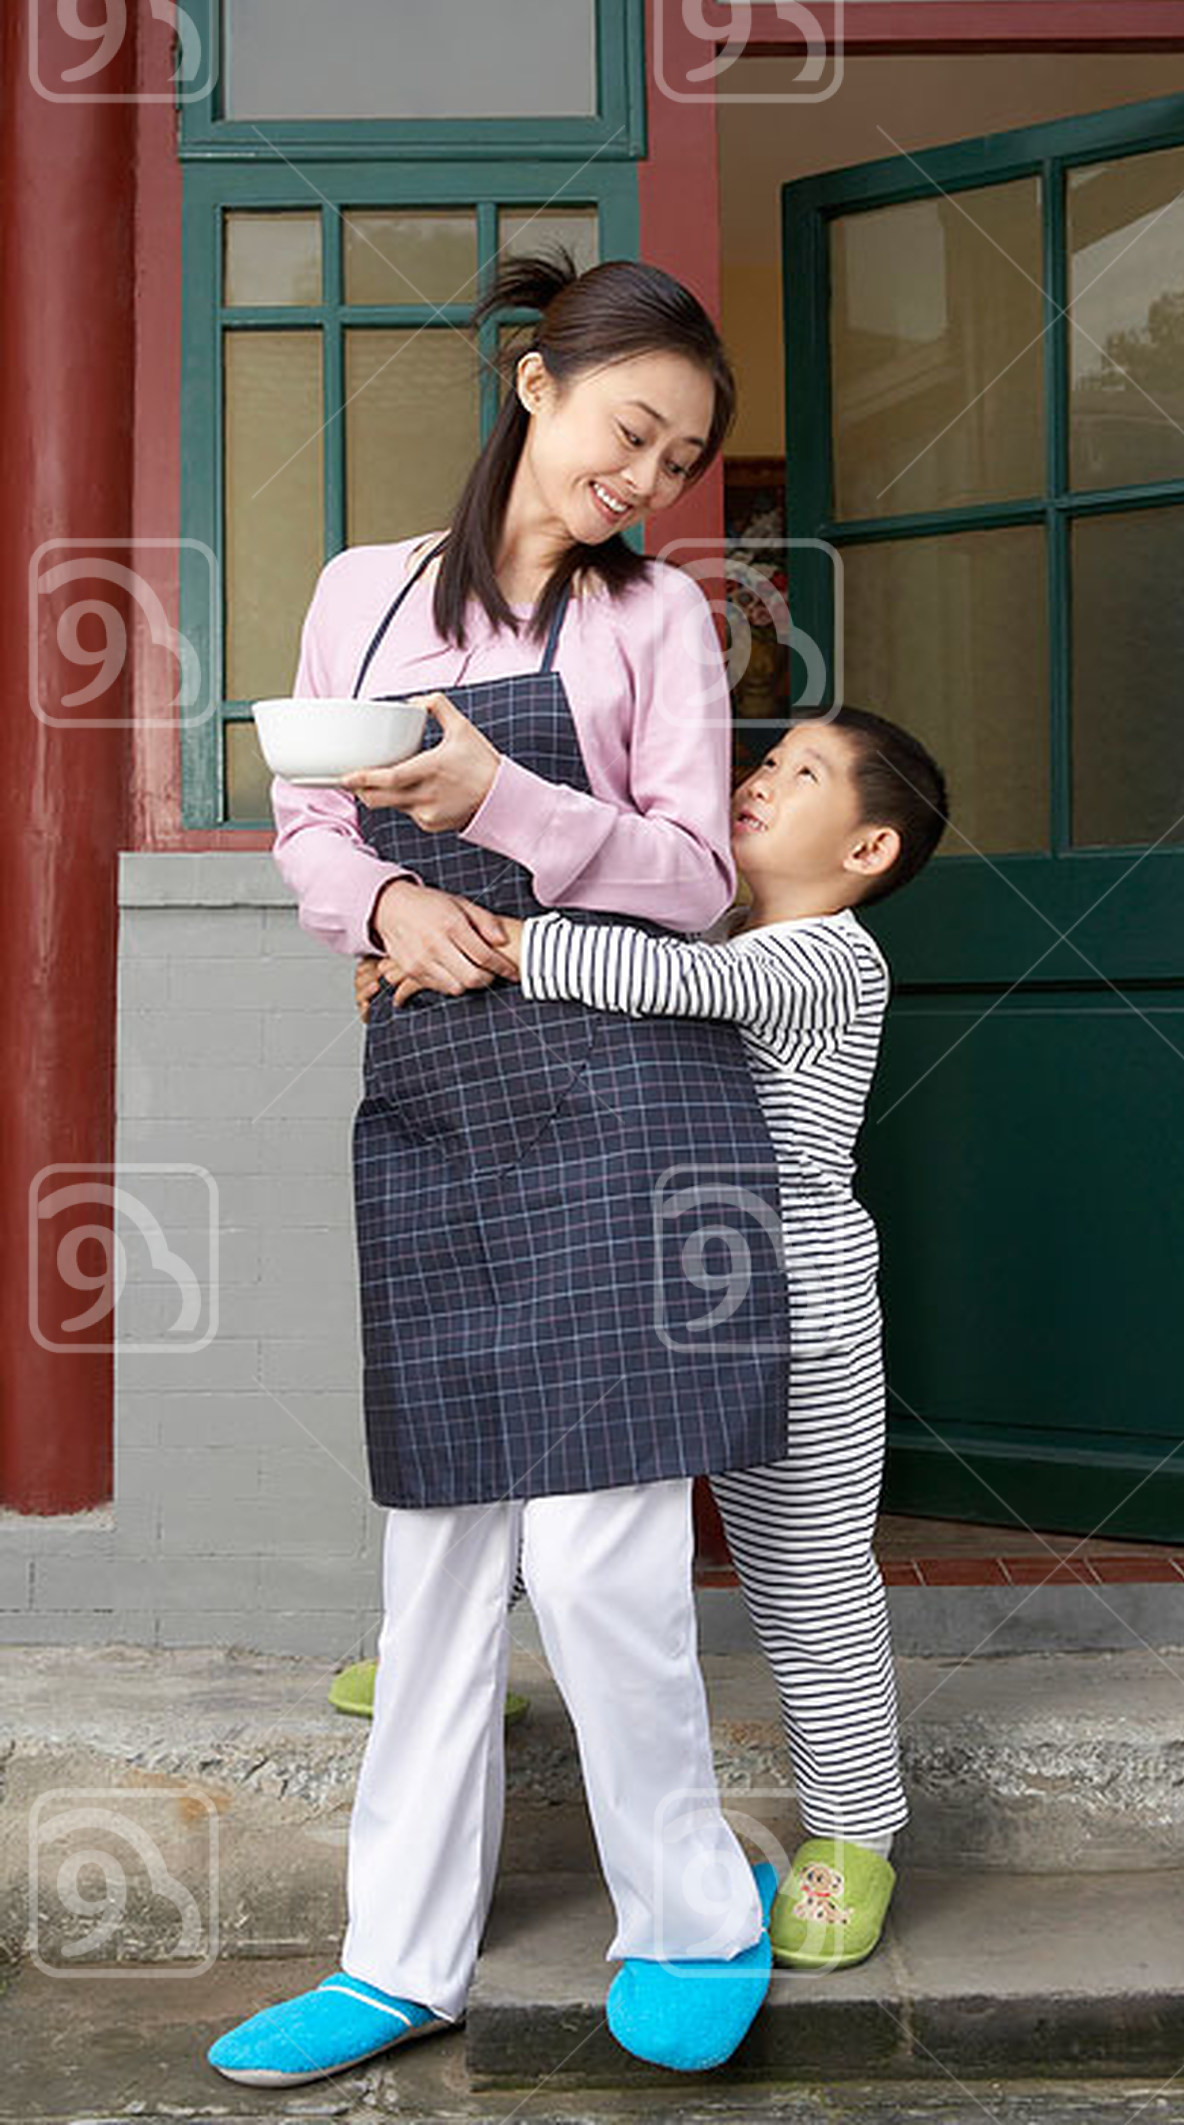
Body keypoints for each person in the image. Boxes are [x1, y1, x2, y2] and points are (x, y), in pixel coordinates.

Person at [207, 248, 790, 2088]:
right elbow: (306, 820)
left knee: (607, 1552)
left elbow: (702, 879)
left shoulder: (659, 625)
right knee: (440, 1551)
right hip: (443, 1088)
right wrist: (384, 891)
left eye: (681, 460)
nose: (649, 479)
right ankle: (399, 1962)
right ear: (539, 386)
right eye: (634, 430)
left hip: (625, 1089)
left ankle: (691, 1910)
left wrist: (503, 815)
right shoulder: (365, 595)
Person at [358, 702, 951, 1971]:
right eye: (765, 758)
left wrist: (509, 944)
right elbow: (612, 999)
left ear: (867, 852)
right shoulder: (705, 915)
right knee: (569, 1473)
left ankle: (856, 1832)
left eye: (801, 776)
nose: (758, 782)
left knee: (807, 1579)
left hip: (797, 1300)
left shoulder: (827, 958)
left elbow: (681, 986)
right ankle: (451, 1656)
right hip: (669, 1272)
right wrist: (425, 954)